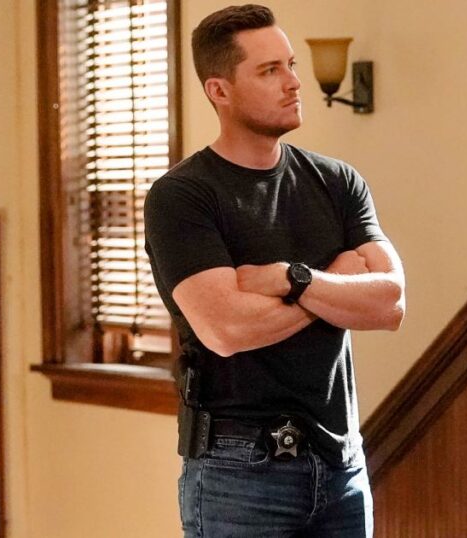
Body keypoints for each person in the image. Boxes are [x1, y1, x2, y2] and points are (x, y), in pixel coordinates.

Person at [143, 5, 405, 537]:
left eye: (290, 65)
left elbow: (390, 303)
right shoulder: (182, 196)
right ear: (219, 90)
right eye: (269, 71)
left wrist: (294, 278)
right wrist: (335, 283)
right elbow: (226, 329)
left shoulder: (338, 182)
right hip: (238, 472)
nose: (293, 82)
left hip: (342, 464)